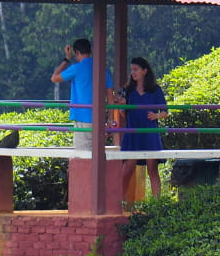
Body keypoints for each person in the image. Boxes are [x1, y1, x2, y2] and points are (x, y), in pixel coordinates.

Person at [115, 56, 168, 197]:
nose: (133, 72)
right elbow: (122, 114)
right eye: (131, 70)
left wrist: (156, 116)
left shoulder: (155, 89)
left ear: (144, 71)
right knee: (127, 169)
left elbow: (165, 112)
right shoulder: (127, 90)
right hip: (133, 132)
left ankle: (157, 204)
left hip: (150, 132)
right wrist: (121, 107)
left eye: (136, 69)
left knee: (152, 170)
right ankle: (119, 202)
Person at [51, 38, 113, 150]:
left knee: (82, 155)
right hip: (100, 118)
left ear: (77, 53)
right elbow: (110, 96)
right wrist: (110, 119)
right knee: (98, 153)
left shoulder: (76, 68)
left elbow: (54, 78)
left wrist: (67, 58)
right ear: (90, 51)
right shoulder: (103, 68)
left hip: (82, 118)